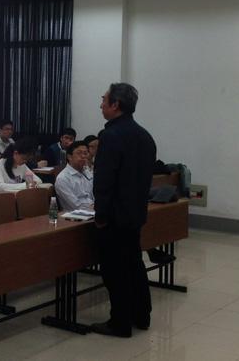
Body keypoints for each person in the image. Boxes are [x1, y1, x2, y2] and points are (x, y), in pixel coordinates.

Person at [91, 83, 156, 338]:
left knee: (115, 270)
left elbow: (105, 180)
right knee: (134, 264)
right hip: (135, 213)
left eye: (104, 99)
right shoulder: (145, 136)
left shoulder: (110, 136)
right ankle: (142, 315)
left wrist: (101, 216)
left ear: (115, 104)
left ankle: (120, 323)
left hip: (114, 216)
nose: (101, 104)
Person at [54, 141, 94, 211]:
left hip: (94, 211)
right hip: (75, 215)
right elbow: (76, 205)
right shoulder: (63, 178)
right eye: (79, 153)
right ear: (69, 157)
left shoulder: (88, 173)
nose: (83, 156)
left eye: (85, 153)